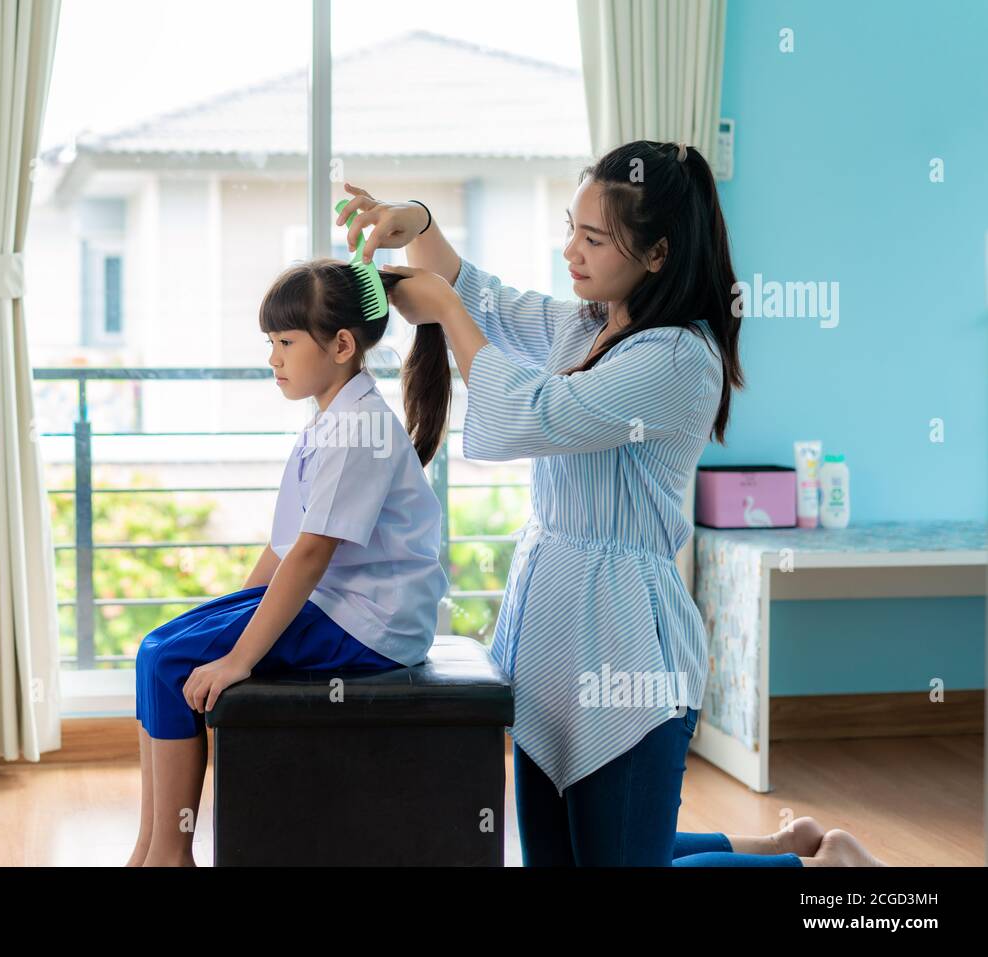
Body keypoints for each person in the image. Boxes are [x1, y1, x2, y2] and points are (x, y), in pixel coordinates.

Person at [337, 140, 883, 867]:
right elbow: (488, 299)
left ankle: (814, 867)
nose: (571, 250)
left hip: (626, 643)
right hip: (550, 635)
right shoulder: (586, 325)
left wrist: (441, 307)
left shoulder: (678, 359)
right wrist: (421, 224)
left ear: (657, 254)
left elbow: (534, 413)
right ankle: (780, 844)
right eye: (572, 227)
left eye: (594, 238)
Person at [127, 259, 451, 867]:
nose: (272, 358)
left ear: (342, 345)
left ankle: (171, 855)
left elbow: (310, 555)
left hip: (370, 625)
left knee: (174, 661)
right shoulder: (330, 421)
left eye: (284, 342)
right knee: (158, 648)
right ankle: (148, 847)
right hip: (337, 604)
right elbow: (282, 549)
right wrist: (227, 616)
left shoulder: (358, 431)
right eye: (270, 343)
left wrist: (237, 657)